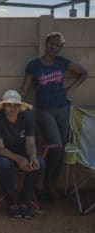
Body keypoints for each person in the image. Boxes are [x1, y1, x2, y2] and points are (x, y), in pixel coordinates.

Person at [20, 32, 88, 201]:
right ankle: (45, 182)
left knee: (62, 146)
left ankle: (51, 183)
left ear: (60, 48)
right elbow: (25, 89)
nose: (54, 47)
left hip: (63, 109)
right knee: (55, 145)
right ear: (46, 44)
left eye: (57, 45)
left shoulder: (61, 62)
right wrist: (11, 103)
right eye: (51, 43)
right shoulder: (34, 65)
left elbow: (83, 73)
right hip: (44, 110)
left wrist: (69, 89)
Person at [0, 90, 45, 219]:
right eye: (9, 105)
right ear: (3, 106)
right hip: (0, 153)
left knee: (39, 163)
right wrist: (19, 159)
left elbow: (30, 144)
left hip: (21, 151)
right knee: (4, 164)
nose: (13, 108)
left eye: (16, 105)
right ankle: (12, 202)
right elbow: (0, 149)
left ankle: (25, 201)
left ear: (20, 107)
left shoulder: (27, 119)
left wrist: (32, 156)